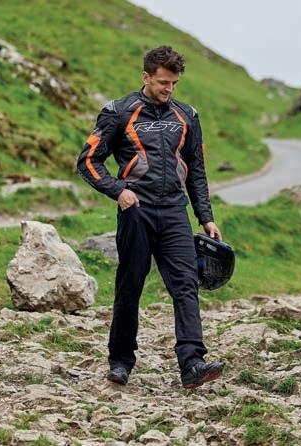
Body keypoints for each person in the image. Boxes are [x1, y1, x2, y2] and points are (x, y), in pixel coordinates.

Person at [77, 46, 223, 388]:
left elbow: (196, 170)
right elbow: (88, 161)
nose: (168, 88)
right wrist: (118, 191)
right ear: (146, 77)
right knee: (131, 285)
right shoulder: (118, 112)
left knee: (186, 284)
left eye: (173, 83)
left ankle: (192, 364)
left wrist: (206, 217)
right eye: (162, 82)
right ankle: (120, 361)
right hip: (136, 211)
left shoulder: (187, 116)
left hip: (174, 212)